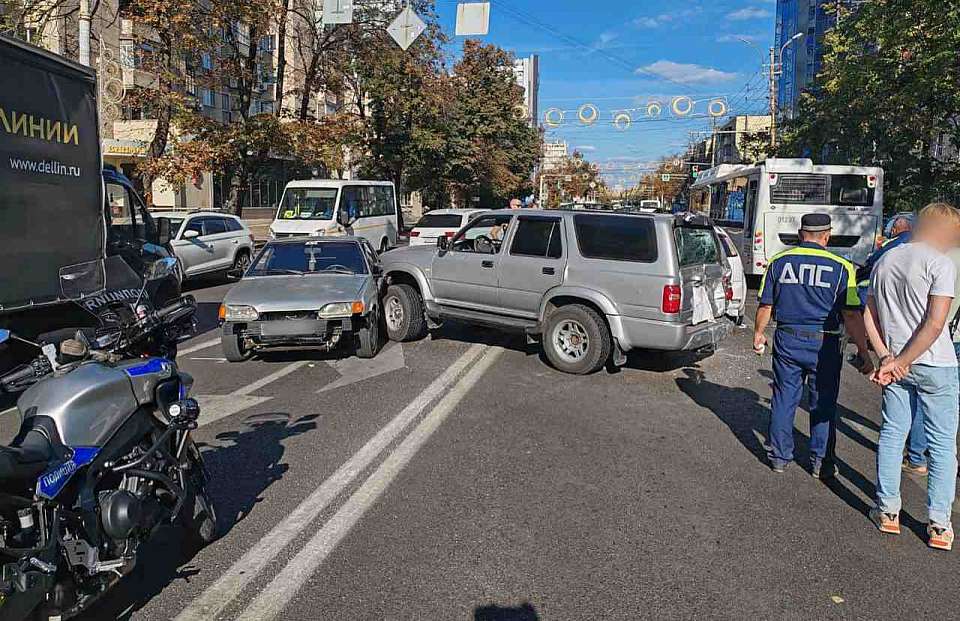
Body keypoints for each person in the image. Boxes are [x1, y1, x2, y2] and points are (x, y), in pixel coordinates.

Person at [864, 202, 960, 551]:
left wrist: (886, 358)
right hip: (936, 364)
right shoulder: (940, 264)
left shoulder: (886, 260)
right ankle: (939, 524)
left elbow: (869, 314)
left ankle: (888, 511)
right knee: (941, 445)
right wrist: (901, 360)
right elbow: (935, 324)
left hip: (896, 364)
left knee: (892, 434)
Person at [753, 213, 873, 477]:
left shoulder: (778, 261)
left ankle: (780, 458)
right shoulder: (842, 267)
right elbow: (851, 314)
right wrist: (864, 352)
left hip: (787, 337)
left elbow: (765, 305)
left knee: (784, 398)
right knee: (824, 403)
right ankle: (822, 463)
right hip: (825, 342)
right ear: (827, 236)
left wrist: (759, 333)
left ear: (800, 234)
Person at [858, 215, 926, 474]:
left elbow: (869, 303)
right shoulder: (940, 257)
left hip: (900, 345)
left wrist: (885, 356)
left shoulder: (892, 249)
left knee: (894, 427)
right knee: (937, 418)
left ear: (899, 228)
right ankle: (919, 459)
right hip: (940, 349)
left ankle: (887, 508)